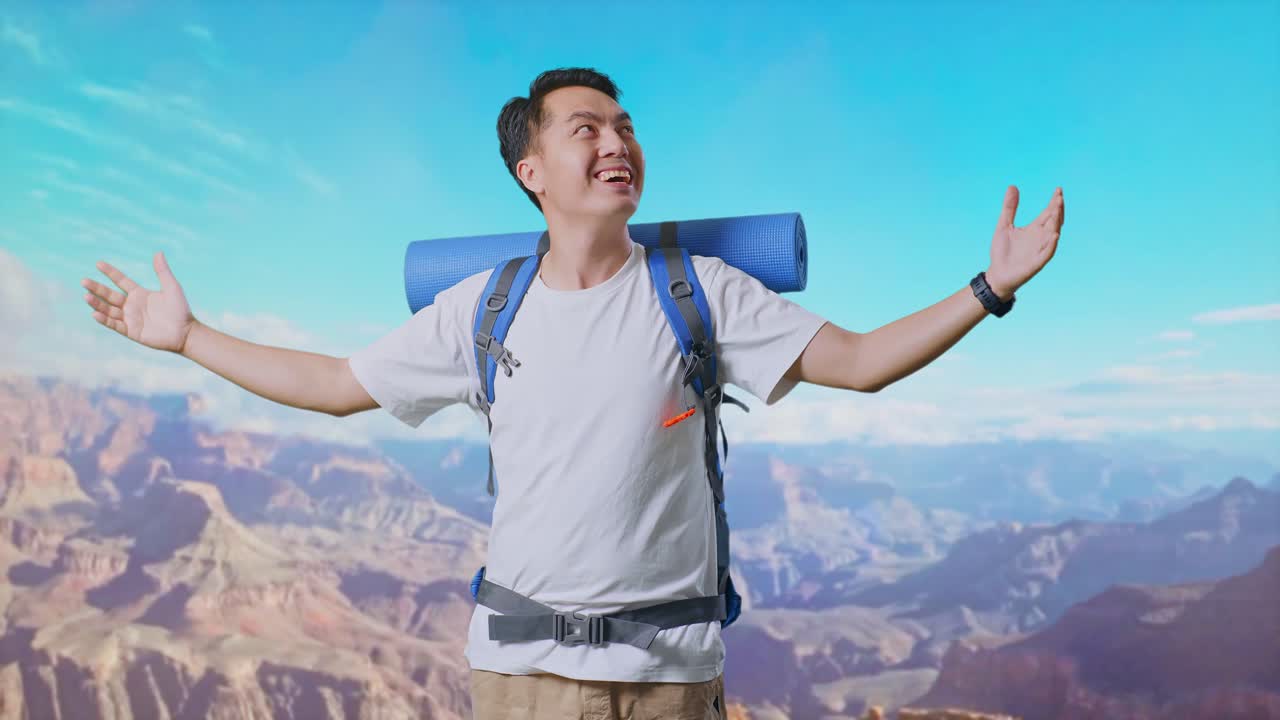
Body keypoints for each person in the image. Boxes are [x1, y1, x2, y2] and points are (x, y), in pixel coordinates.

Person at [81, 67, 1063, 720]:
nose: (617, 142)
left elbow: (857, 360)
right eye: (586, 127)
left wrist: (989, 289)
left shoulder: (698, 292)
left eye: (626, 127)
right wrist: (188, 338)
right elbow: (336, 385)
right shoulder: (484, 309)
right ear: (531, 169)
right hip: (521, 683)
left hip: (674, 681)